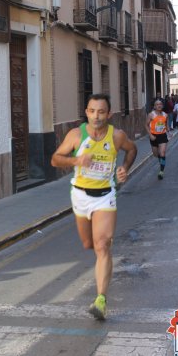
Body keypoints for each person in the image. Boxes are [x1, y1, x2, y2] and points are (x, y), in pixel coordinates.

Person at [51, 93, 137, 321]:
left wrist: (124, 168)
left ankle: (100, 300)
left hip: (104, 197)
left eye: (101, 111)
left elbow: (132, 149)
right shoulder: (76, 135)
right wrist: (76, 160)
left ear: (109, 114)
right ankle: (102, 241)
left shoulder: (117, 136)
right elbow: (55, 159)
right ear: (86, 112)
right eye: (92, 111)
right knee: (89, 243)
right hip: (80, 195)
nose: (96, 116)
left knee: (101, 246)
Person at [146, 99, 169, 179]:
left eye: (160, 104)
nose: (159, 105)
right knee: (156, 154)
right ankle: (161, 160)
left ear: (162, 106)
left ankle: (161, 171)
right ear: (154, 106)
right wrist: (150, 135)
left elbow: (166, 123)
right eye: (157, 104)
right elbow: (146, 125)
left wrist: (168, 130)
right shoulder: (151, 115)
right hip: (154, 136)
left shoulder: (165, 115)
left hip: (162, 136)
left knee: (162, 153)